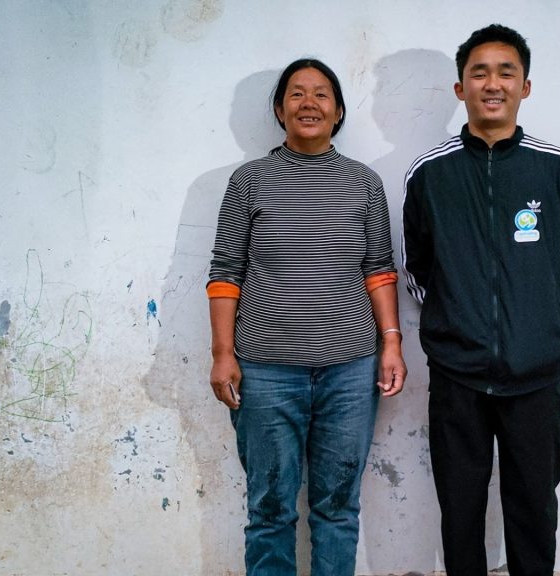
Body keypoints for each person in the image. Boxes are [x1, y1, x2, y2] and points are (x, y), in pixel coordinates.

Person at [401, 24, 560, 576]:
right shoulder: (429, 173)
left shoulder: (558, 168)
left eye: (506, 72)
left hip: (535, 375)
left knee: (533, 507)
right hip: (457, 374)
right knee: (459, 508)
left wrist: (535, 307)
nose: (493, 84)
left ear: (525, 87)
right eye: (479, 73)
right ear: (460, 88)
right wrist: (457, 313)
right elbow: (417, 266)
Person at [207, 58, 407, 576]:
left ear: (338, 111)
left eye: (321, 94)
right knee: (270, 509)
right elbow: (226, 271)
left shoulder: (363, 183)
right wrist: (223, 354)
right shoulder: (250, 181)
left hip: (350, 371)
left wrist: (391, 343)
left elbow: (379, 269)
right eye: (297, 94)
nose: (309, 103)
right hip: (266, 372)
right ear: (280, 110)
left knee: (337, 507)